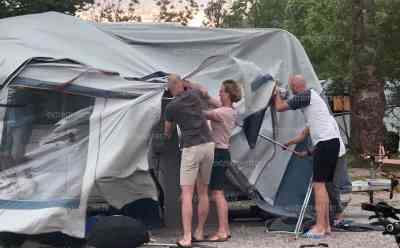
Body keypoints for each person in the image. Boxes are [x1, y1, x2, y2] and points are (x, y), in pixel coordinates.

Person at [273, 75, 341, 239]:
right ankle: (326, 226)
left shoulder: (306, 95)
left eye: (290, 87)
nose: (290, 91)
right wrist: (296, 146)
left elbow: (280, 107)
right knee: (321, 184)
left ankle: (320, 227)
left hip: (326, 144)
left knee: (318, 185)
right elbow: (308, 133)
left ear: (295, 86)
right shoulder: (313, 103)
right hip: (330, 144)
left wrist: (275, 92)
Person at [164, 74, 215, 248]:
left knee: (186, 193)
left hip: (191, 148)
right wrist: (187, 83)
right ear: (183, 84)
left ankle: (186, 237)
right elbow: (203, 89)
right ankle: (199, 232)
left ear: (170, 88)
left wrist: (167, 134)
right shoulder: (194, 94)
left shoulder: (171, 106)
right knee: (203, 192)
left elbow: (168, 132)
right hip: (208, 145)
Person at [187, 80, 242, 242]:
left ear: (229, 94)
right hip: (221, 153)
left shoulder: (223, 112)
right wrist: (199, 89)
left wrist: (188, 99)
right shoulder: (229, 109)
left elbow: (201, 113)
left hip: (218, 153)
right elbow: (211, 100)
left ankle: (223, 230)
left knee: (218, 193)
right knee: (216, 192)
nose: (219, 93)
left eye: (222, 91)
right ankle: (223, 230)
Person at [284, 120, 350, 229]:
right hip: (325, 152)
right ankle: (326, 220)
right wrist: (288, 143)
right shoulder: (312, 119)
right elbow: (302, 135)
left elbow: (325, 144)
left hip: (337, 155)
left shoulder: (326, 121)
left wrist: (307, 152)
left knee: (332, 186)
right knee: (323, 186)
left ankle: (338, 217)